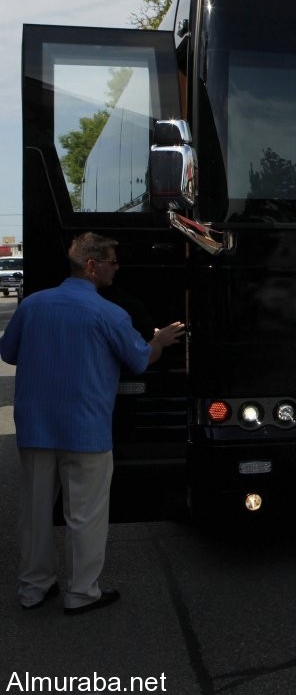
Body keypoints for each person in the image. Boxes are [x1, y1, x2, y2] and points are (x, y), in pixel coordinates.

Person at [1, 233, 184, 613]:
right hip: (85, 429)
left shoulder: (32, 305)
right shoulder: (109, 313)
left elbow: (9, 352)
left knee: (35, 512)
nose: (117, 268)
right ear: (91, 265)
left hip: (35, 427)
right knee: (84, 513)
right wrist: (161, 340)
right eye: (112, 261)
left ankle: (33, 588)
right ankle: (81, 593)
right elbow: (139, 360)